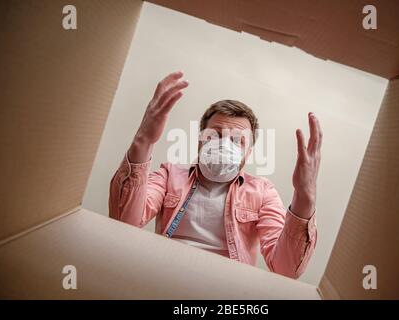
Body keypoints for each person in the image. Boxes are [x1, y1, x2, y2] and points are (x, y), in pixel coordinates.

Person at [109, 71, 322, 279]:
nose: (224, 145)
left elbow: (286, 270)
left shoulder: (262, 192)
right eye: (216, 135)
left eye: (237, 139)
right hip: (165, 278)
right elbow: (123, 222)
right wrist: (143, 140)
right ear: (200, 140)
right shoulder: (170, 175)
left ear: (248, 153)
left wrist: (305, 197)